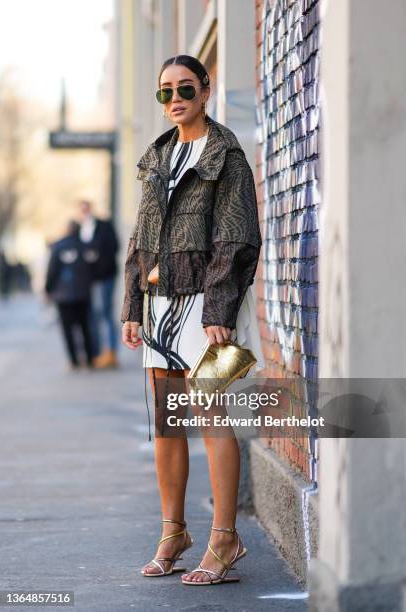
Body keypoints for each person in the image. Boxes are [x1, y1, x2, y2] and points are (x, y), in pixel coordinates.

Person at [121, 55, 262, 585]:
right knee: (166, 424)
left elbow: (238, 235)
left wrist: (219, 311)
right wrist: (133, 306)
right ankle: (173, 532)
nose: (174, 98)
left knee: (211, 417)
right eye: (165, 92)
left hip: (206, 309)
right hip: (160, 305)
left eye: (184, 88)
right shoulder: (157, 157)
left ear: (206, 90)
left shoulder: (225, 155)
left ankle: (225, 539)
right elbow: (140, 239)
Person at [45, 220, 94, 370]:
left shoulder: (58, 247)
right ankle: (90, 359)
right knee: (85, 327)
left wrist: (48, 289)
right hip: (83, 293)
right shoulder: (85, 247)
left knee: (67, 329)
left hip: (63, 295)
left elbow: (52, 271)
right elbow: (94, 268)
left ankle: (74, 361)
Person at [77, 200, 119, 368]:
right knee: (93, 315)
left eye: (86, 208)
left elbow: (113, 247)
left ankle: (110, 353)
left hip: (104, 276)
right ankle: (96, 353)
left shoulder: (103, 225)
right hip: (88, 279)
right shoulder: (80, 228)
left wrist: (97, 258)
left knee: (104, 313)